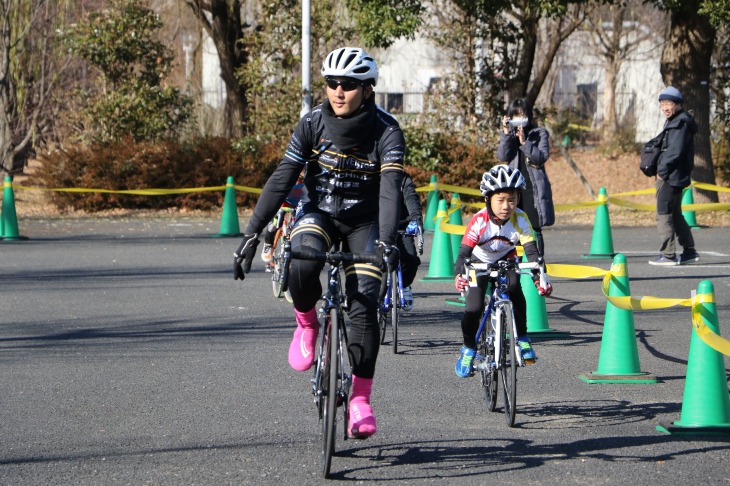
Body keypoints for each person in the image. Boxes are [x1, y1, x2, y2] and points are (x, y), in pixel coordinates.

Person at [233, 47, 405, 439]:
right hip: (320, 211)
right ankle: (306, 323)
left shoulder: (387, 130)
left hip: (365, 221)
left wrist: (389, 242)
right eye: (331, 83)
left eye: (347, 84)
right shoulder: (311, 123)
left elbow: (391, 189)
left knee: (364, 300)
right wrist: (251, 233)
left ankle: (360, 399)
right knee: (301, 261)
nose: (338, 91)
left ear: (366, 88)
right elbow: (282, 177)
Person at [452, 165, 553, 378]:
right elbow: (464, 254)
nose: (507, 206)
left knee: (515, 288)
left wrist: (539, 278)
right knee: (474, 307)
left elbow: (532, 252)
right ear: (488, 199)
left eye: (512, 199)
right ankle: (468, 349)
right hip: (479, 261)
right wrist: (459, 275)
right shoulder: (479, 221)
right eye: (501, 200)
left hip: (507, 259)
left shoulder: (521, 219)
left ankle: (523, 338)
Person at [648, 86, 700, 266]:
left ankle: (668, 255)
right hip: (676, 176)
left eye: (668, 103)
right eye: (662, 104)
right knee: (675, 214)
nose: (665, 108)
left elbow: (674, 152)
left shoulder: (679, 124)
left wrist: (662, 171)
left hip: (671, 176)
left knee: (663, 214)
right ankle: (689, 251)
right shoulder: (678, 121)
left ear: (678, 104)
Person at [496, 98, 554, 256]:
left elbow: (541, 157)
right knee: (513, 225)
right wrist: (506, 134)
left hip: (533, 186)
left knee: (534, 227)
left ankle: (538, 265)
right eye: (515, 115)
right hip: (514, 187)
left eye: (522, 115)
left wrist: (524, 142)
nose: (519, 119)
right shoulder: (510, 134)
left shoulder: (539, 133)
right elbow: (502, 155)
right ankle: (516, 265)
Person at [260, 174, 305, 268]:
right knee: (274, 222)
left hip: (300, 202)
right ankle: (268, 243)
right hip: (285, 200)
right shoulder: (289, 173)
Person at [396, 173, 424, 311]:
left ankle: (405, 284)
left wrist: (416, 218)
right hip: (376, 226)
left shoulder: (403, 178)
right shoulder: (372, 175)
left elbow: (411, 198)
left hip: (401, 226)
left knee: (410, 258)